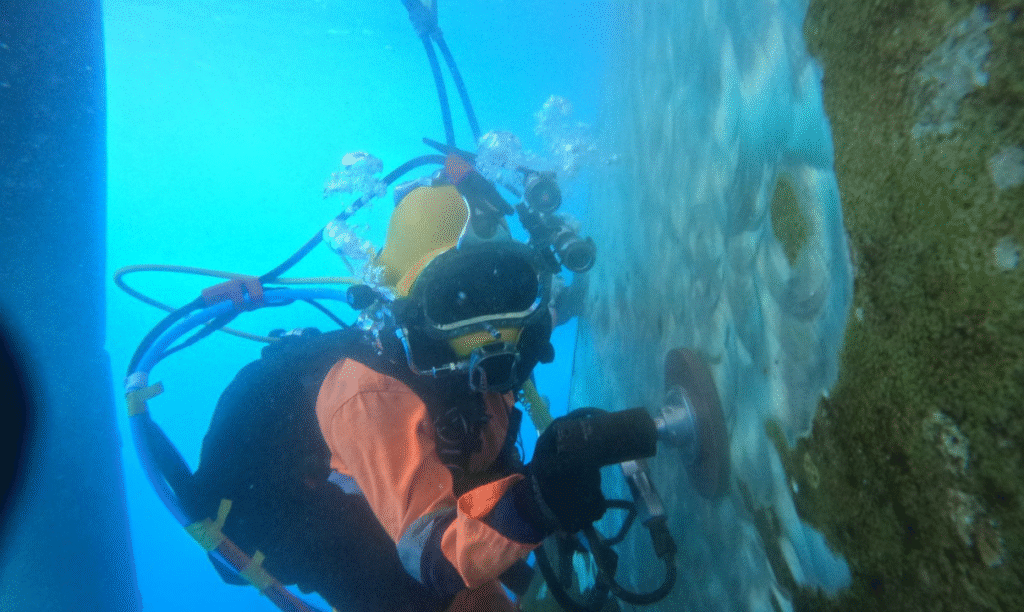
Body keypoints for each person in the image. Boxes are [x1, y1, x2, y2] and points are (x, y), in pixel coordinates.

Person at [313, 162, 614, 611]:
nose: (492, 326)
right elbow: (430, 554)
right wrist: (536, 506)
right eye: (456, 299)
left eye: (507, 286)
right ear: (411, 308)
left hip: (465, 490)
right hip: (380, 540)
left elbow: (533, 314)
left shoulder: (501, 332)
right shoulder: (369, 395)